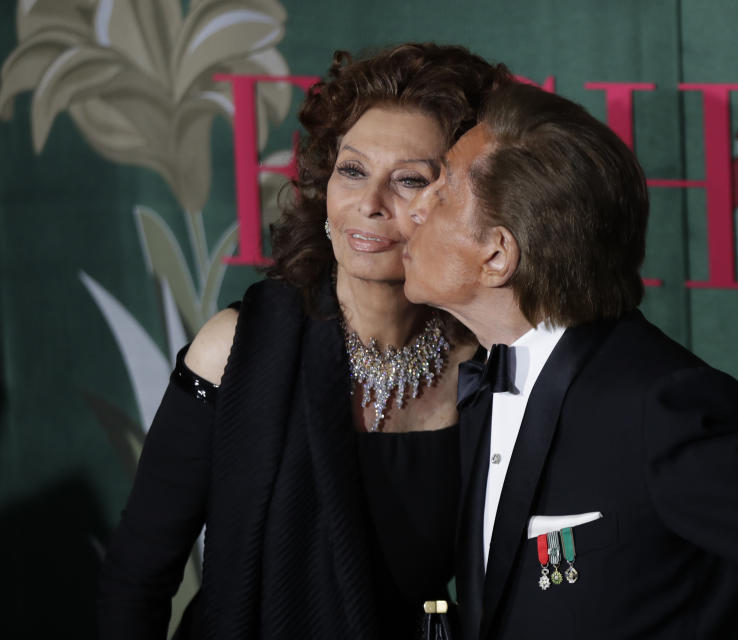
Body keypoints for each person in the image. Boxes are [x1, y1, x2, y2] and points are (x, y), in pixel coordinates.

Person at [401, 83, 738, 639]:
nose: (414, 207)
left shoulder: (663, 410)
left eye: (440, 192)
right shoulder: (487, 384)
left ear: (497, 255)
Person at [97, 43, 511, 639]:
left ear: (461, 205)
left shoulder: (489, 365)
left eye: (409, 181)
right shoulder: (233, 350)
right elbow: (136, 578)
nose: (368, 205)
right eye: (352, 170)